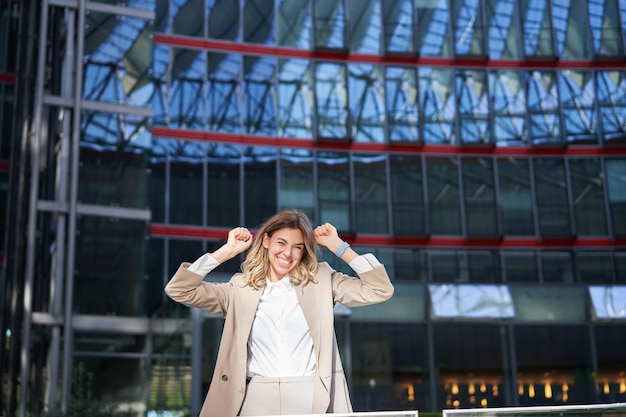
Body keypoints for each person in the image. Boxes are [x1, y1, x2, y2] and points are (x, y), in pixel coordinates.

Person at [164, 209, 394, 417]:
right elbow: (179, 289)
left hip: (311, 394)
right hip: (256, 396)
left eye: (297, 247)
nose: (288, 253)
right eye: (281, 243)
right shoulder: (239, 287)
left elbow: (380, 290)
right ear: (265, 240)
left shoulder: (322, 279)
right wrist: (227, 251)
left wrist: (339, 247)